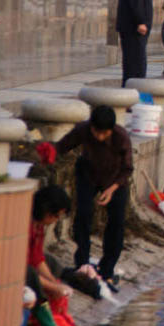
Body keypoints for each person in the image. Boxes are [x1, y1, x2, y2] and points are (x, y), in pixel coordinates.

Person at [55, 105, 132, 286]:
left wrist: (110, 190)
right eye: (96, 132)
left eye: (103, 134)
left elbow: (127, 169)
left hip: (115, 180)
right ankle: (82, 262)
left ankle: (107, 269)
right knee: (83, 215)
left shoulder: (121, 137)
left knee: (116, 222)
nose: (99, 137)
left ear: (110, 131)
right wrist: (47, 154)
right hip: (88, 174)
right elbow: (62, 146)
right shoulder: (84, 130)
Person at [116, 0, 158, 87]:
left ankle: (131, 99)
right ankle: (131, 100)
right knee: (136, 68)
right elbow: (136, 0)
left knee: (133, 66)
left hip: (131, 28)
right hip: (133, 29)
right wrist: (141, 22)